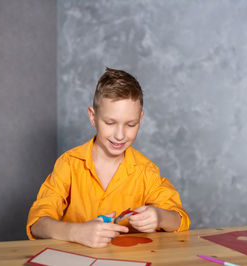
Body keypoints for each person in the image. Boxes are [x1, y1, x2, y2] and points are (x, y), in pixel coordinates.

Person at [26, 67, 190, 248]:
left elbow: (179, 219)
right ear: (93, 117)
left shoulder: (146, 171)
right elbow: (37, 224)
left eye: (131, 124)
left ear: (140, 119)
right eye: (110, 123)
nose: (120, 135)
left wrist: (159, 217)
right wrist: (76, 232)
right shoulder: (69, 164)